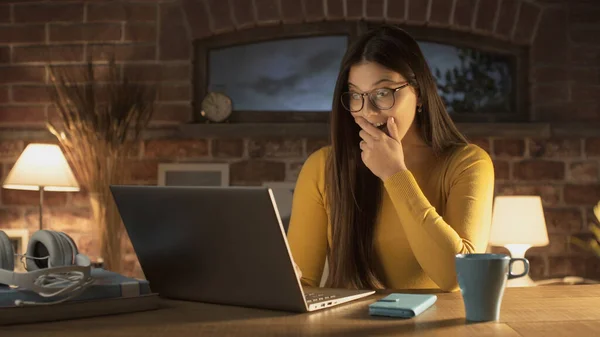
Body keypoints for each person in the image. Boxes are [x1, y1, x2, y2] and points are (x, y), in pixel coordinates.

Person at [286, 24, 495, 292]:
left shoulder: (467, 164)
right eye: (356, 96)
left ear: (419, 94)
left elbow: (460, 276)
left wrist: (395, 175)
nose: (368, 112)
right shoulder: (323, 166)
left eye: (382, 93)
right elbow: (301, 285)